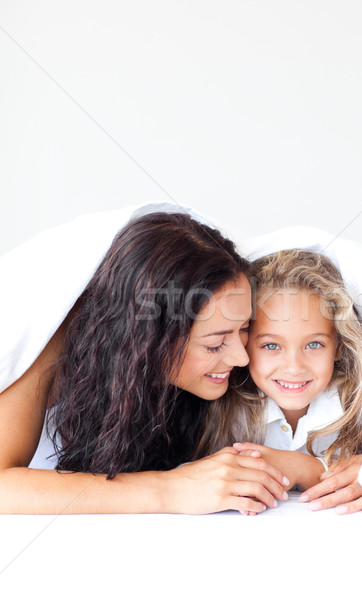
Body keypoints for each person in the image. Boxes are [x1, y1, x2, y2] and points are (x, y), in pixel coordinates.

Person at [0, 211, 290, 515]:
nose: (241, 358)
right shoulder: (47, 340)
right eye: (214, 344)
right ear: (146, 342)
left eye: (244, 328)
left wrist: (334, 465)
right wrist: (171, 489)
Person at [196, 249, 362, 515]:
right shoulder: (225, 408)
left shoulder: (361, 404)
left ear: (339, 345)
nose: (294, 367)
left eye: (314, 344)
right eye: (271, 345)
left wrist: (302, 468)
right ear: (244, 344)